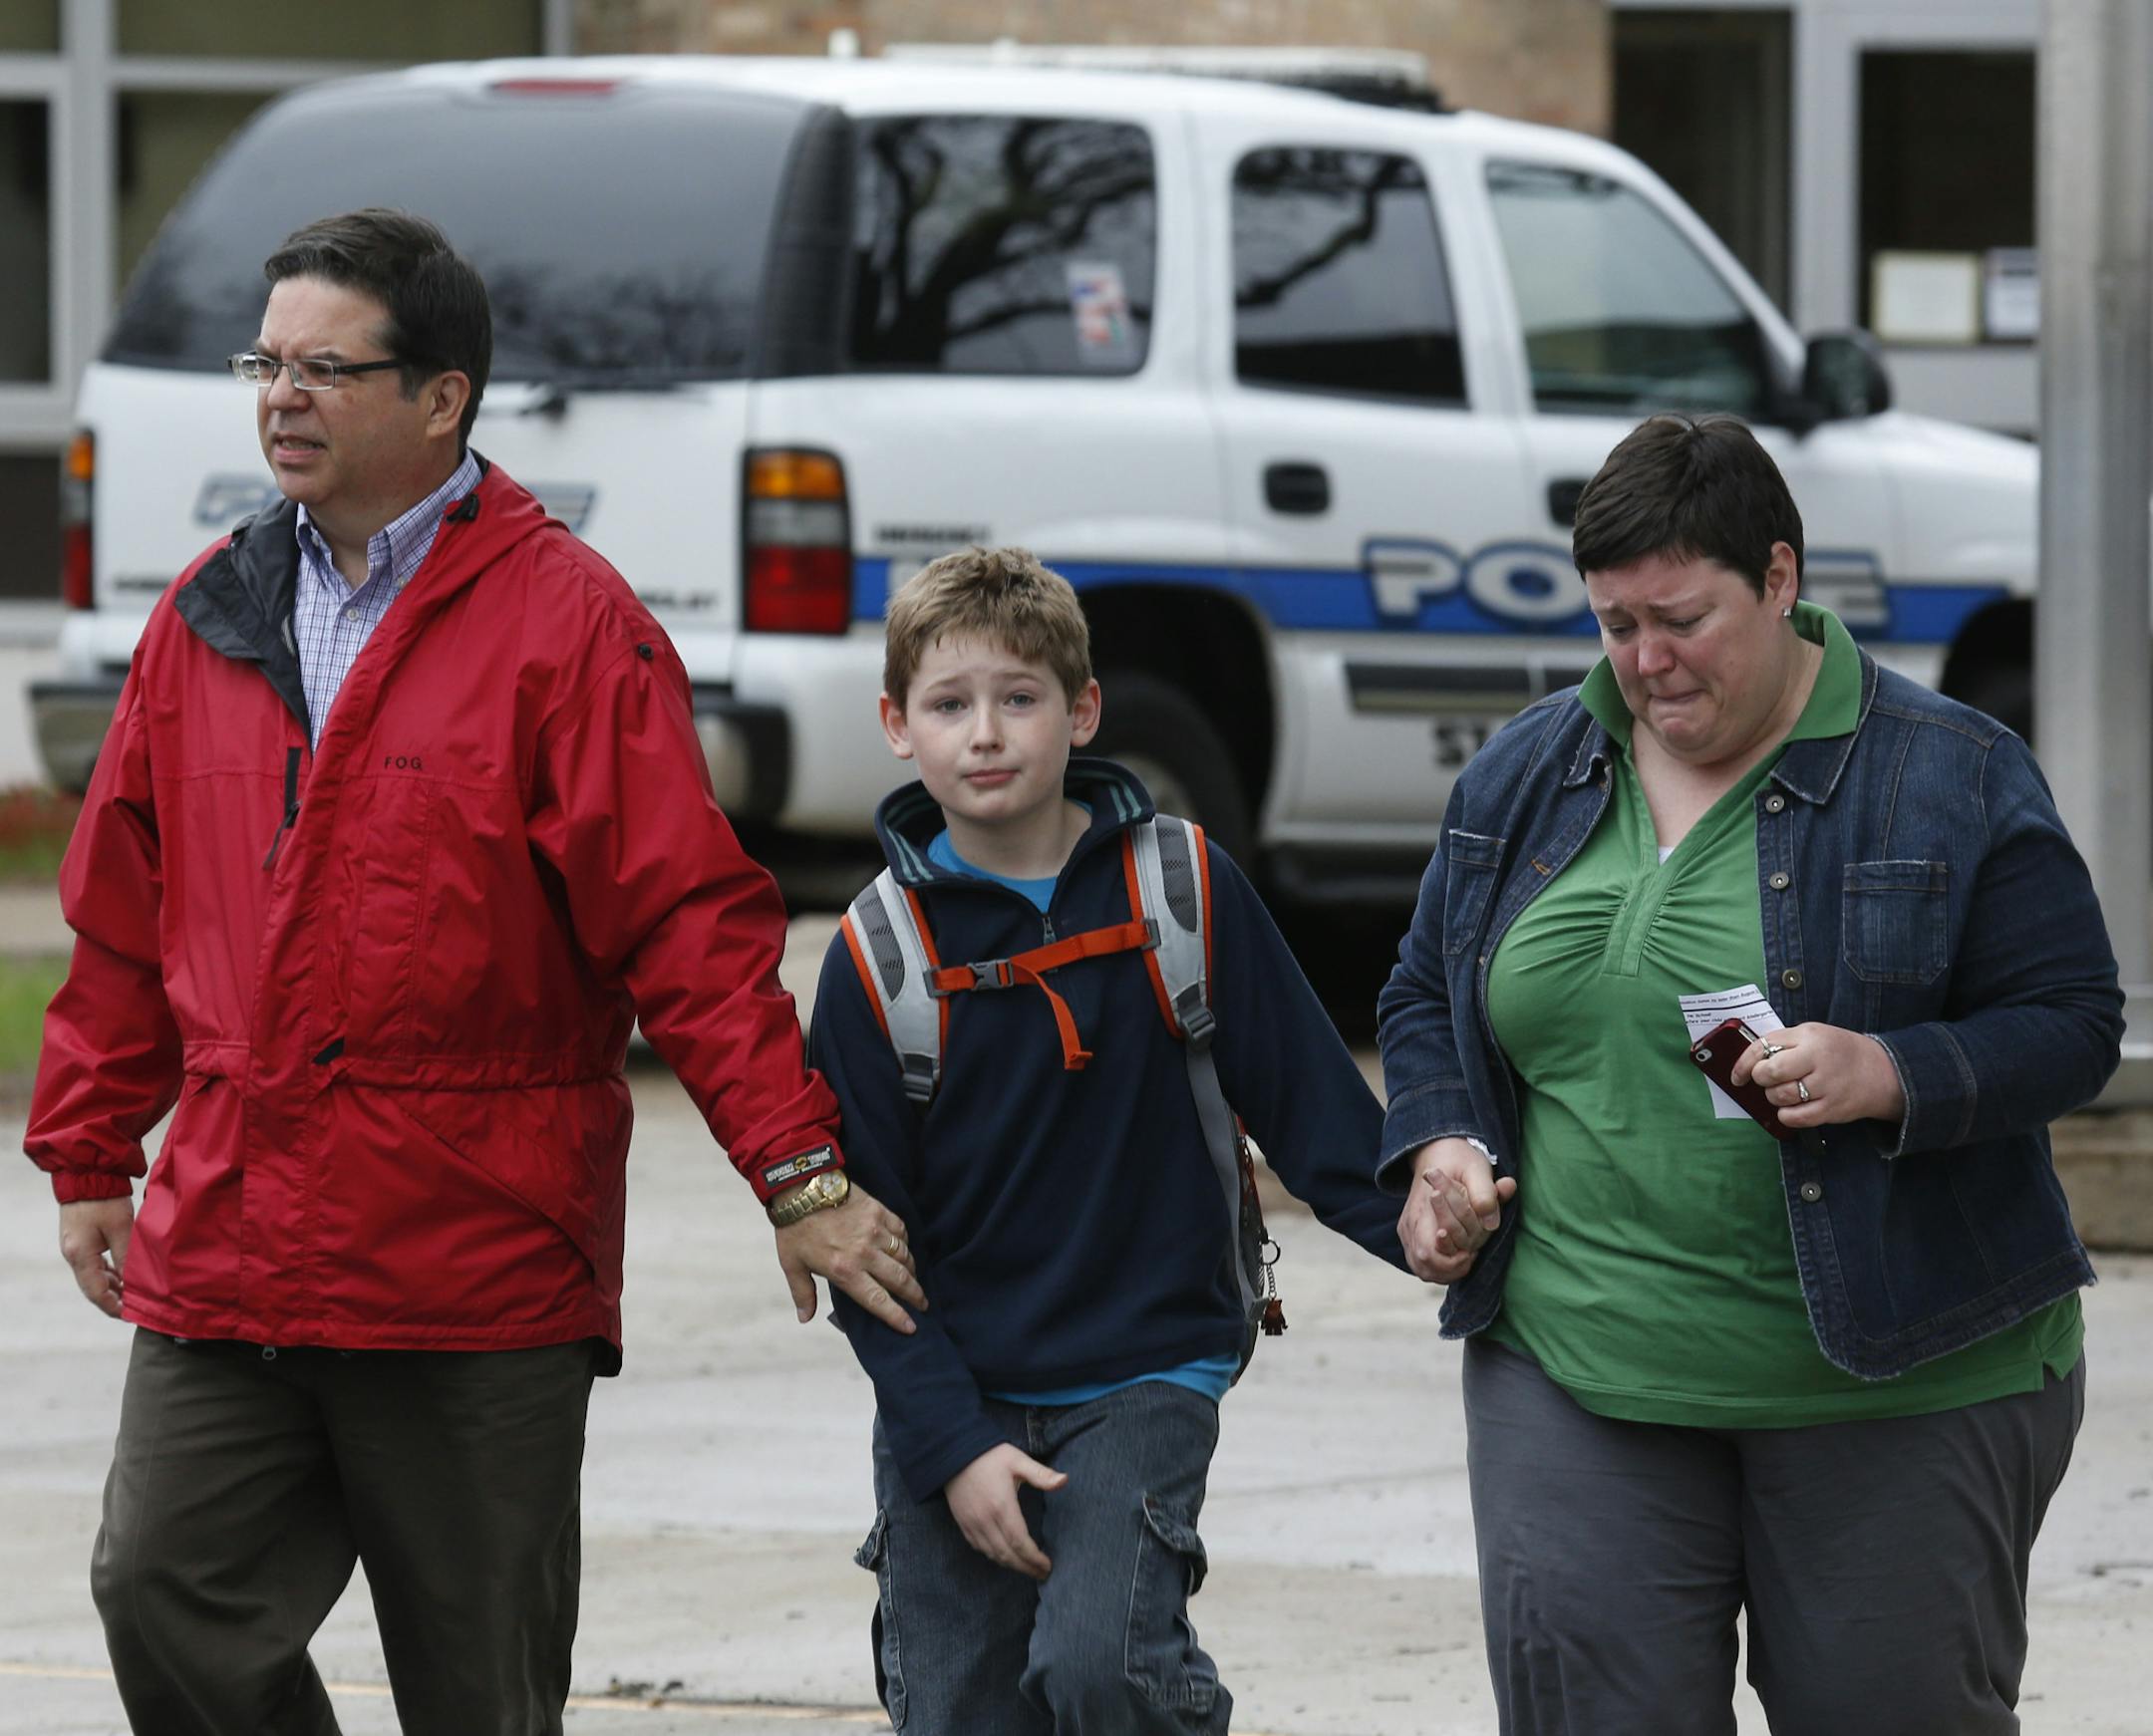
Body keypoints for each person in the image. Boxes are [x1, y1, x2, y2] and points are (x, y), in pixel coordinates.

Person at [23, 207, 925, 1736]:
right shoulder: (210, 613)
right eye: (267, 363)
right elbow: (128, 908)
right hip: (233, 1237)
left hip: (473, 1254)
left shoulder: (567, 625)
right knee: (162, 1591)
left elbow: (689, 924)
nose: (280, 398)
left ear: (442, 396)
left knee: (479, 1691)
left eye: (324, 368)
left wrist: (799, 1172)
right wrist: (90, 1140)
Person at [1378, 413, 2123, 1735]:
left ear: (1781, 576)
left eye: (1681, 618)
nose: (1646, 663)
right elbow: (1428, 992)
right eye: (1615, 625)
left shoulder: (1946, 772)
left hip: (1900, 1372)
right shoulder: (1530, 769)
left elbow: (2072, 1020)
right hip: (1579, 1358)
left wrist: (1890, 1069)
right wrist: (1438, 1143)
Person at [808, 546, 1411, 1735]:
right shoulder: (875, 956)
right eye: (949, 703)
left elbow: (1315, 1112)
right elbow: (865, 1253)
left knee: (1103, 1666)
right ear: (897, 724)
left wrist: (1445, 1235)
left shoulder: (1182, 885)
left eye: (1020, 697)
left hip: (1149, 1367)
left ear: (1082, 711)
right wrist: (950, 1444)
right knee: (955, 1711)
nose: (987, 732)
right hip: (960, 1387)